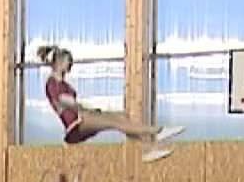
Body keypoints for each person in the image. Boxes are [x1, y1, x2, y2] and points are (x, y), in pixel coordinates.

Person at [39, 44, 182, 163]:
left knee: (121, 117)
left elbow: (72, 102)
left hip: (83, 118)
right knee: (114, 123)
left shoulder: (64, 83)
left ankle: (148, 148)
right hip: (75, 126)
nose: (70, 67)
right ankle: (157, 131)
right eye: (68, 63)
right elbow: (65, 101)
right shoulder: (52, 83)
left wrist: (92, 110)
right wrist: (86, 108)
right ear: (59, 63)